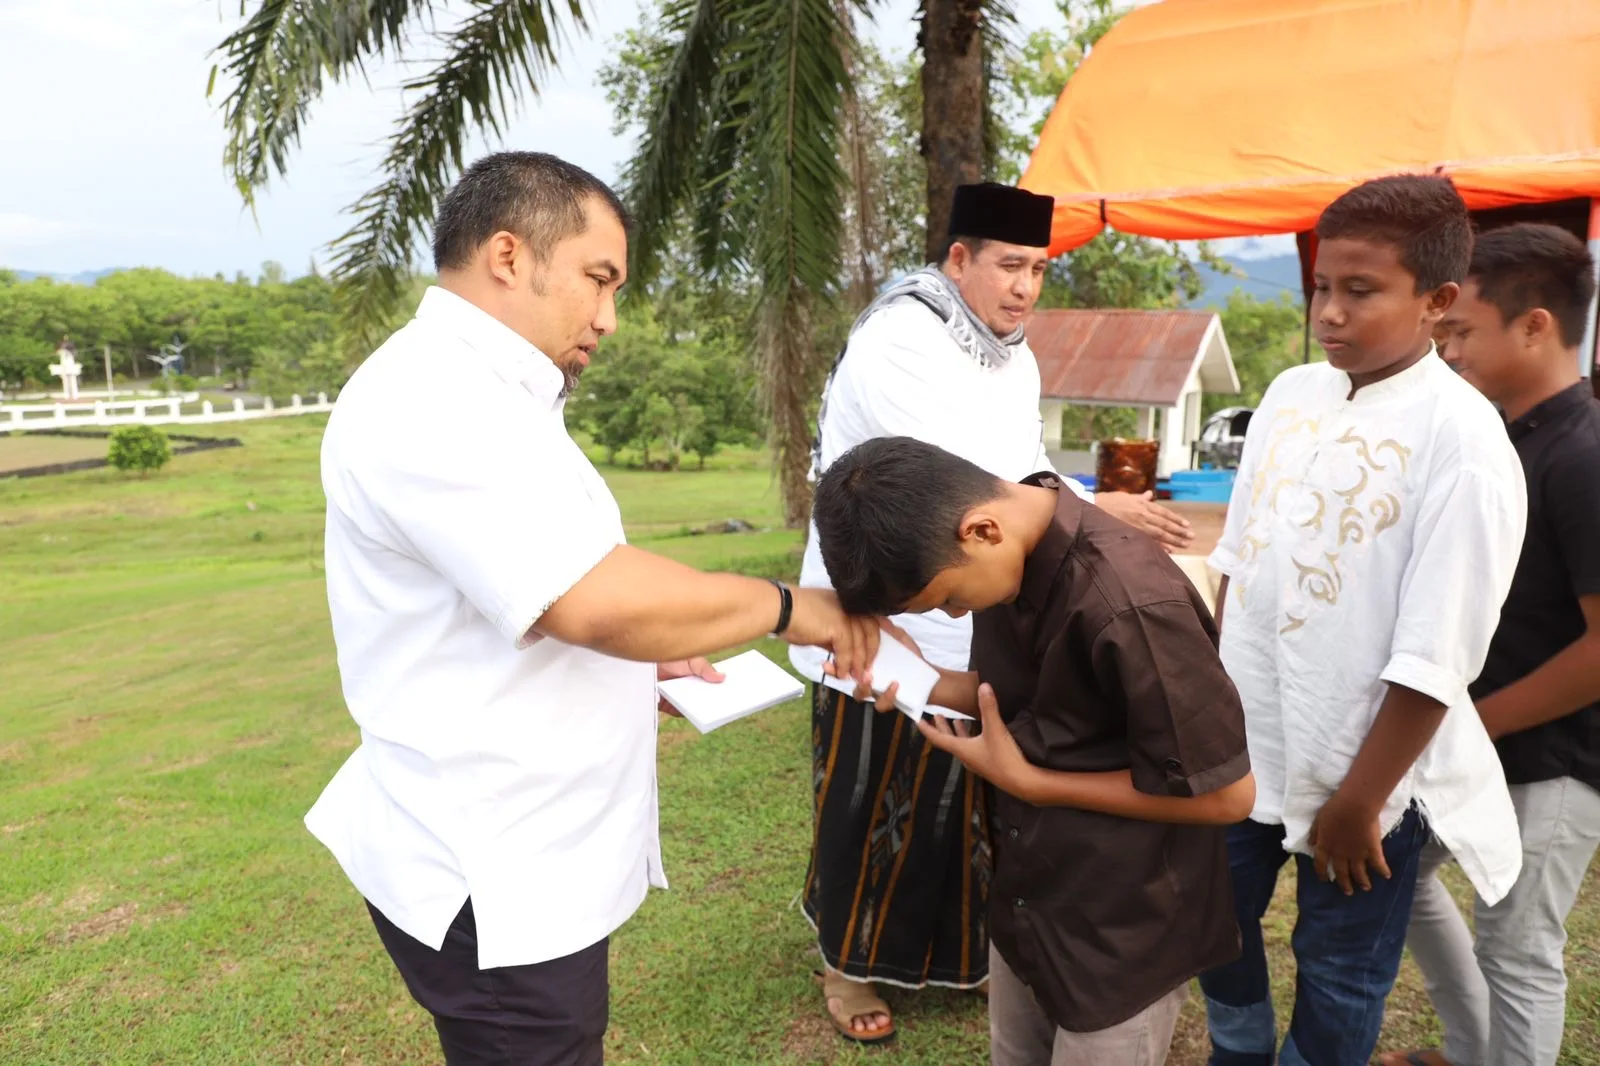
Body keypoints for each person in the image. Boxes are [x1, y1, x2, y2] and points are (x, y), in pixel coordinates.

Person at [306, 151, 879, 1066]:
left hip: (530, 854)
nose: (609, 318)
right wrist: (786, 606)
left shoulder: (498, 393)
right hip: (492, 872)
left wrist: (647, 659)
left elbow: (538, 587)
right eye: (597, 280)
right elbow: (591, 600)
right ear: (507, 255)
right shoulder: (433, 401)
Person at [791, 181, 1195, 1042]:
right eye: (1010, 266)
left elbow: (1027, 461)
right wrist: (1097, 510)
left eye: (1040, 271)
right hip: (894, 596)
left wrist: (1079, 505)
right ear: (960, 259)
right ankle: (846, 966)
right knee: (871, 795)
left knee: (960, 793)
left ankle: (951, 956)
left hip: (983, 594)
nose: (1024, 289)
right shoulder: (903, 337)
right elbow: (955, 476)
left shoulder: (1014, 351)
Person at [1196, 174, 1528, 1066]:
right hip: (1247, 741)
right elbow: (1241, 561)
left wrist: (1361, 799)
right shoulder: (1292, 393)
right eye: (1321, 287)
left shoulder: (1464, 440)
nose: (1330, 314)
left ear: (1438, 302)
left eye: (1361, 290)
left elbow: (1439, 650)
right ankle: (1239, 1047)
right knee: (1210, 915)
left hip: (1369, 774)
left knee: (1340, 969)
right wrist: (1215, 714)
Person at [810, 435, 1255, 1066]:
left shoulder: (1131, 605)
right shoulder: (1010, 549)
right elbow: (1031, 701)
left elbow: (1228, 796)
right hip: (1030, 900)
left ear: (981, 530)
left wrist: (1031, 783)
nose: (959, 616)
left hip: (1122, 931)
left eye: (947, 600)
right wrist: (929, 683)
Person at [1380, 224, 1600, 1066]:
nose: (1447, 347)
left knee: (1519, 949)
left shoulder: (1582, 454)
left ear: (1535, 326)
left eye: (1461, 330)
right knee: (1397, 876)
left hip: (1557, 758)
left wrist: (1468, 724)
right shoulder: (1500, 435)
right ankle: (1473, 1051)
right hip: (1477, 741)